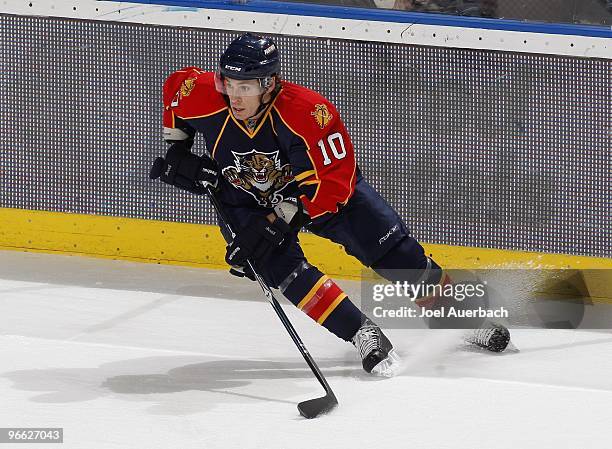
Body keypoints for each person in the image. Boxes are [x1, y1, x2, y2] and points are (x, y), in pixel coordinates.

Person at [151, 33, 510, 377]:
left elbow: (335, 181)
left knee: (395, 253)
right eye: (228, 84)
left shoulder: (310, 112)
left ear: (269, 84)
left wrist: (281, 219)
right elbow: (174, 89)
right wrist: (177, 146)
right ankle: (362, 333)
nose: (234, 96)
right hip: (248, 198)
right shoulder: (202, 94)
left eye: (245, 87)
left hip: (320, 196)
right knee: (279, 268)